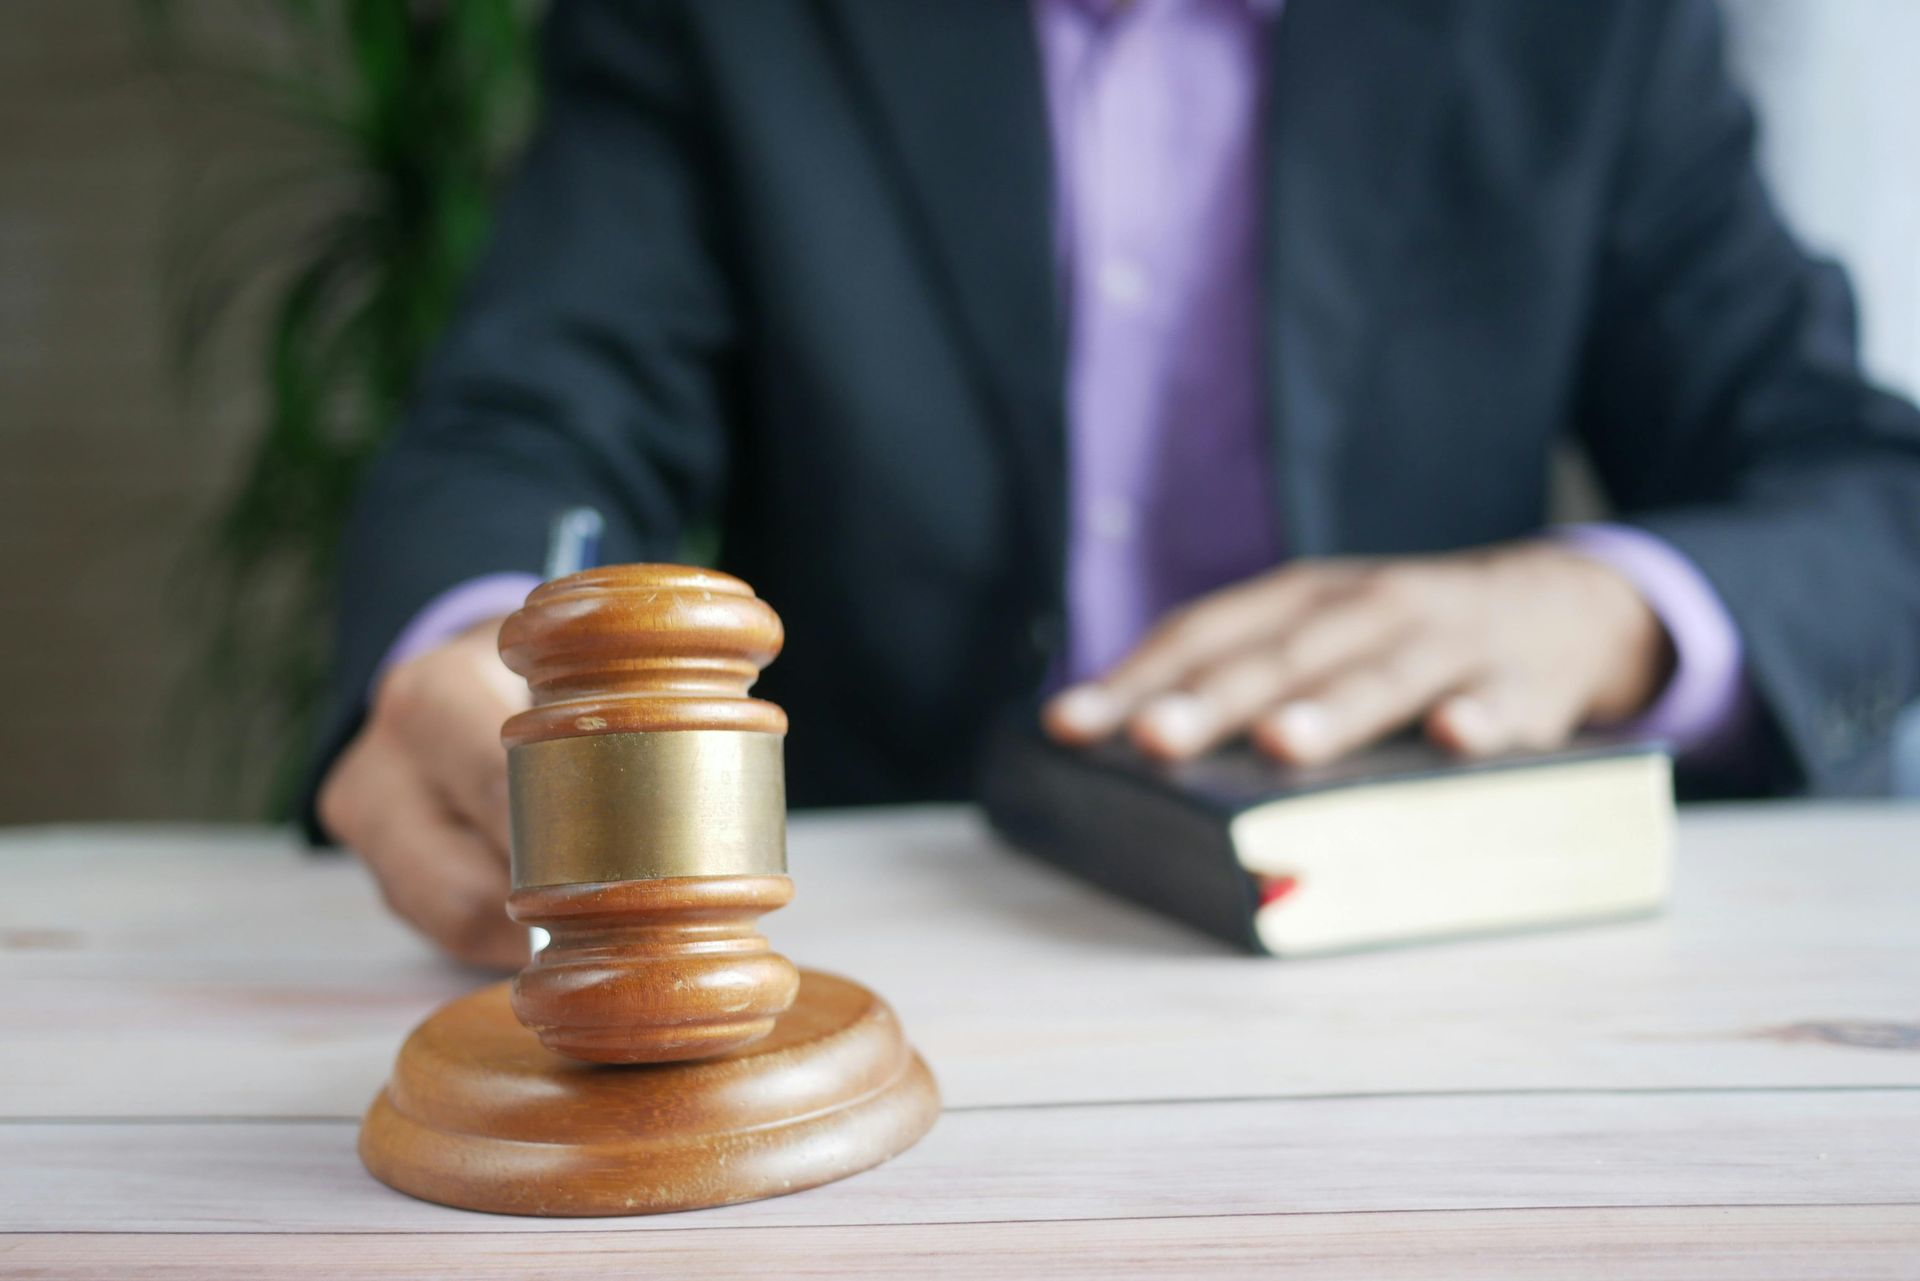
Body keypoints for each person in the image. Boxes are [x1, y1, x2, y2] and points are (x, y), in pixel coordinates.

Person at [312, 0, 1920, 967]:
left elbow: (1860, 491)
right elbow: (530, 422)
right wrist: (477, 654)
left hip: (1441, 983)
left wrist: (1609, 609)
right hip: (886, 936)